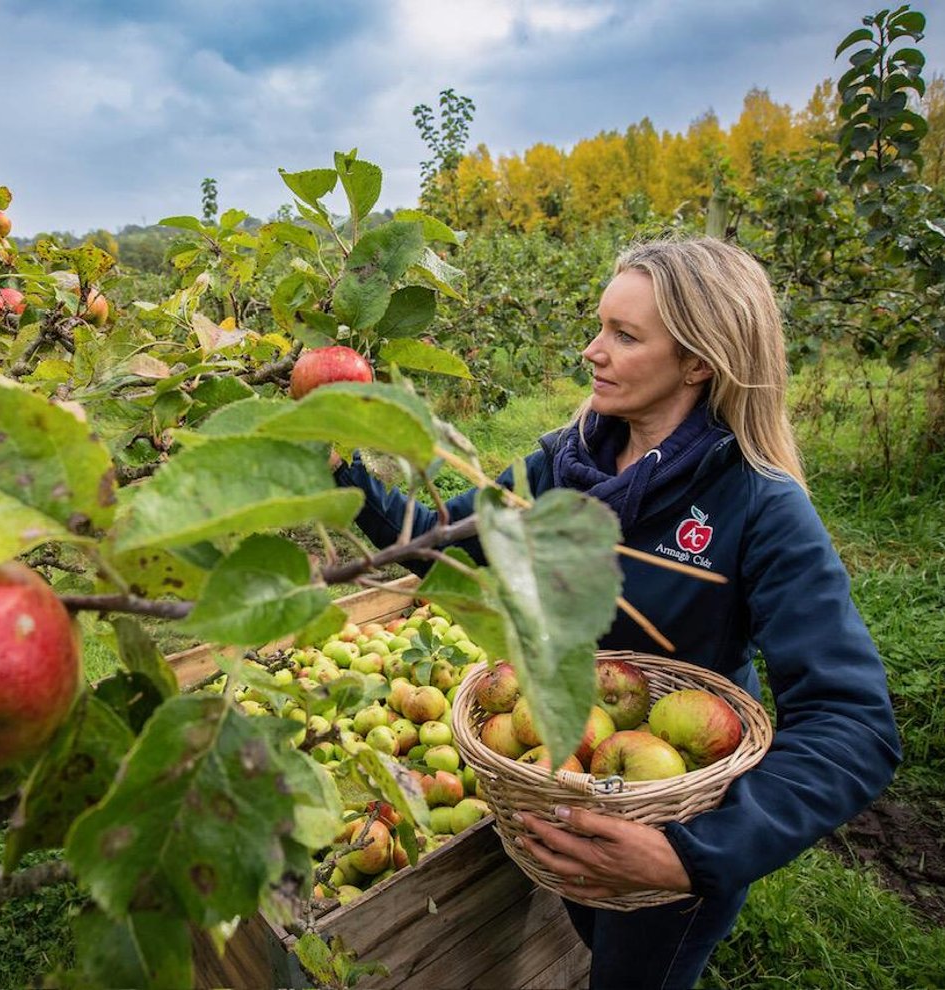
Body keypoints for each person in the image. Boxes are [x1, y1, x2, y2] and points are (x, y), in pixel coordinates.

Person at [331, 236, 901, 989]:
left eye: (625, 336)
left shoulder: (758, 504)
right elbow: (444, 542)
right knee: (596, 948)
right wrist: (336, 459)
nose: (593, 351)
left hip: (673, 826)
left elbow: (852, 722)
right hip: (571, 787)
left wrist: (691, 854)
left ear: (698, 362)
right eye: (600, 326)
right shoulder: (565, 465)